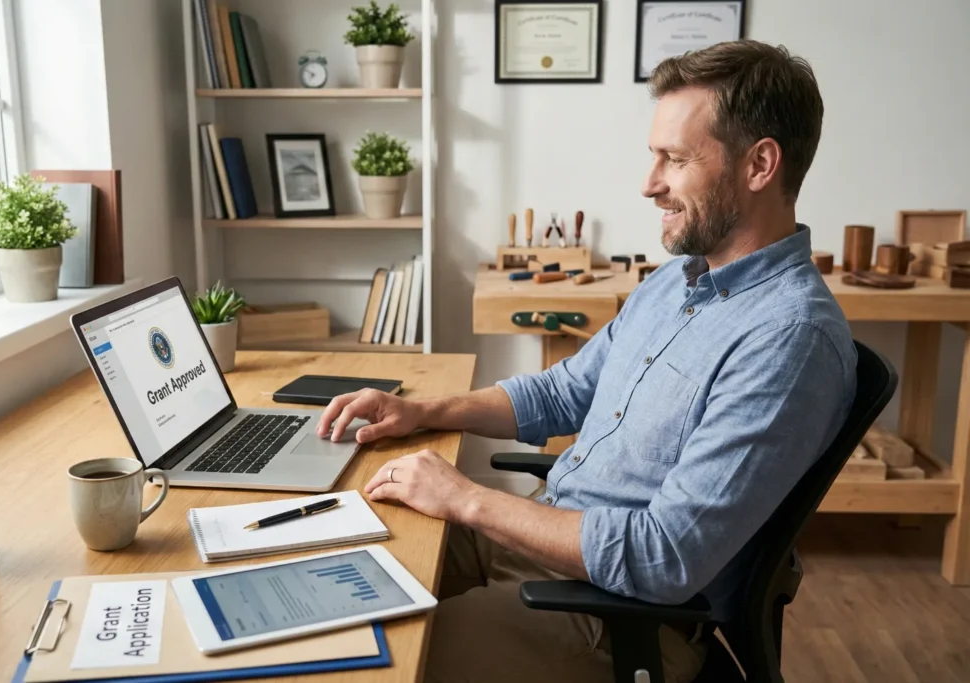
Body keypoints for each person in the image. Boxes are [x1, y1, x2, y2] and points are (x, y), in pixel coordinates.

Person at [316, 39, 857, 683]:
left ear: (760, 164)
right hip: (543, 542)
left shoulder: (788, 339)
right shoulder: (678, 280)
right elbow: (563, 391)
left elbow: (664, 558)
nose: (649, 183)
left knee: (371, 663)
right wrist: (421, 410)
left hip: (617, 619)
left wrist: (467, 498)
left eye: (675, 160)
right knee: (331, 567)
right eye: (653, 157)